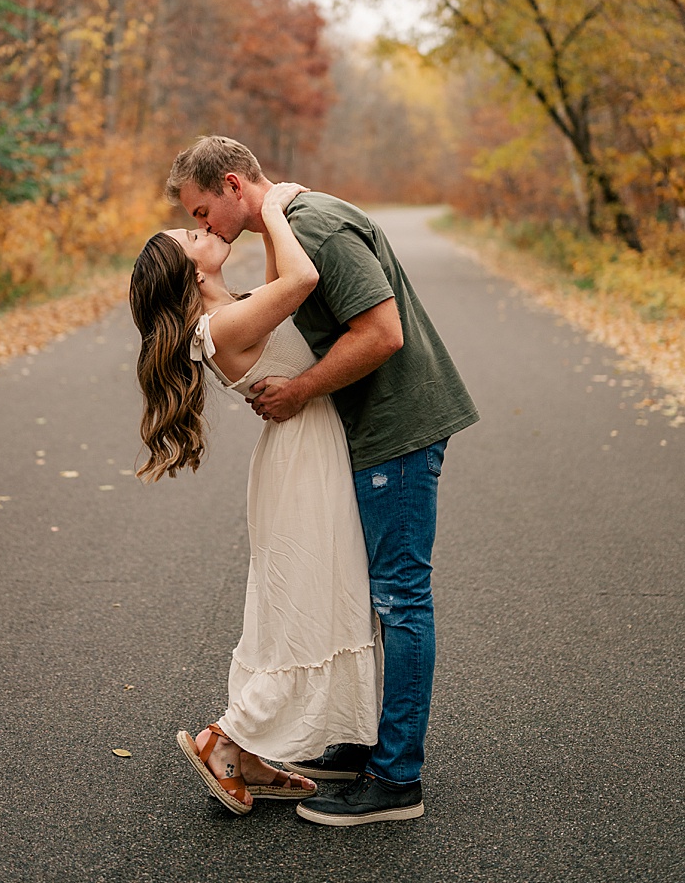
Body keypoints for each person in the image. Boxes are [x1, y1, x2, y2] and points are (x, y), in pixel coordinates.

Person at [165, 136, 480, 828]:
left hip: (394, 426)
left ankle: (395, 778)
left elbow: (381, 333)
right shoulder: (291, 231)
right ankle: (362, 739)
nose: (205, 225)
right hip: (363, 433)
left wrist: (302, 389)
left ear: (230, 184)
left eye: (200, 210)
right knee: (371, 593)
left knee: (400, 596)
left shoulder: (316, 227)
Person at [129, 182, 382, 817]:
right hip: (302, 458)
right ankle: (228, 738)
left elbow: (279, 286)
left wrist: (268, 226)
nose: (204, 231)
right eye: (193, 236)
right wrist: (273, 207)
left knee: (303, 599)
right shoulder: (220, 322)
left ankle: (248, 751)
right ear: (189, 275)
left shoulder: (232, 308)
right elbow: (300, 279)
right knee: (305, 600)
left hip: (304, 449)